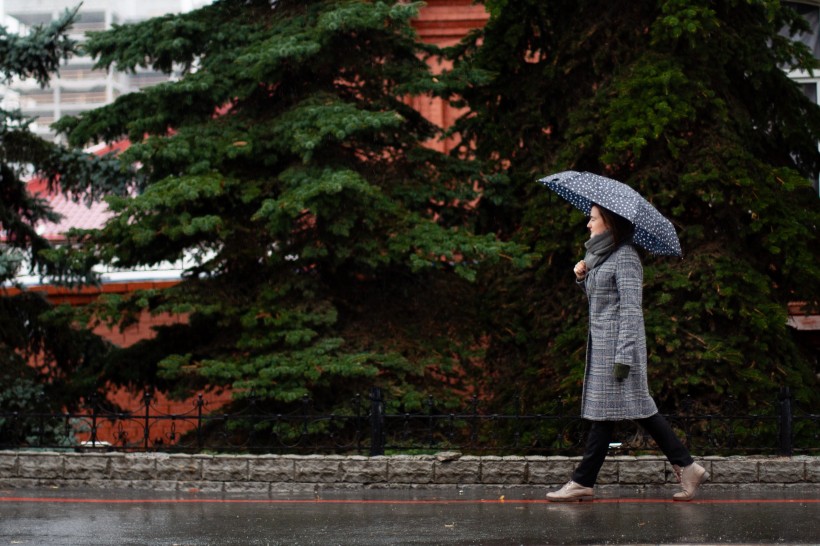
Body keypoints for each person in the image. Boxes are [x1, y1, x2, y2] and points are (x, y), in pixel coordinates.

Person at [546, 204, 708, 502]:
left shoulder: (626, 258)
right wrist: (582, 277)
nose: (588, 224)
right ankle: (687, 466)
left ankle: (583, 481)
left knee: (618, 414)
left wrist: (624, 357)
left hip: (619, 352)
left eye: (593, 219)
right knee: (626, 413)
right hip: (604, 349)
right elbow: (603, 301)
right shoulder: (600, 256)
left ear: (609, 222)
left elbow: (632, 312)